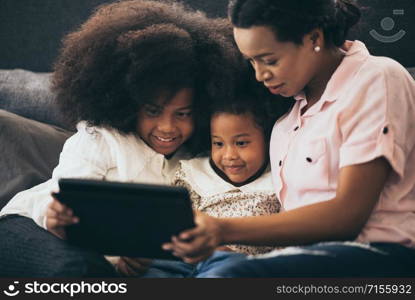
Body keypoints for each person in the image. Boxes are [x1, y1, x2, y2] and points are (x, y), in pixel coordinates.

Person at [162, 0, 415, 277]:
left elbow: (348, 216)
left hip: (380, 256)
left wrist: (222, 229)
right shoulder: (286, 123)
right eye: (252, 61)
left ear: (314, 38)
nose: (260, 75)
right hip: (306, 259)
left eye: (270, 60)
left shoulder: (377, 78)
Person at [0, 0, 239, 277]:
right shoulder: (100, 138)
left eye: (183, 113)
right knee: (79, 270)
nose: (167, 127)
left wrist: (135, 259)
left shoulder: (195, 161)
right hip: (28, 227)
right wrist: (56, 214)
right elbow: (65, 197)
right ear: (128, 103)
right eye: (153, 111)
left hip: (99, 258)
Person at [119, 83, 286, 277]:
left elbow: (283, 243)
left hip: (238, 264)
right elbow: (170, 225)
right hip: (183, 259)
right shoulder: (194, 174)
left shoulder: (277, 183)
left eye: (241, 143)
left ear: (268, 140)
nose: (229, 155)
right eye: (218, 143)